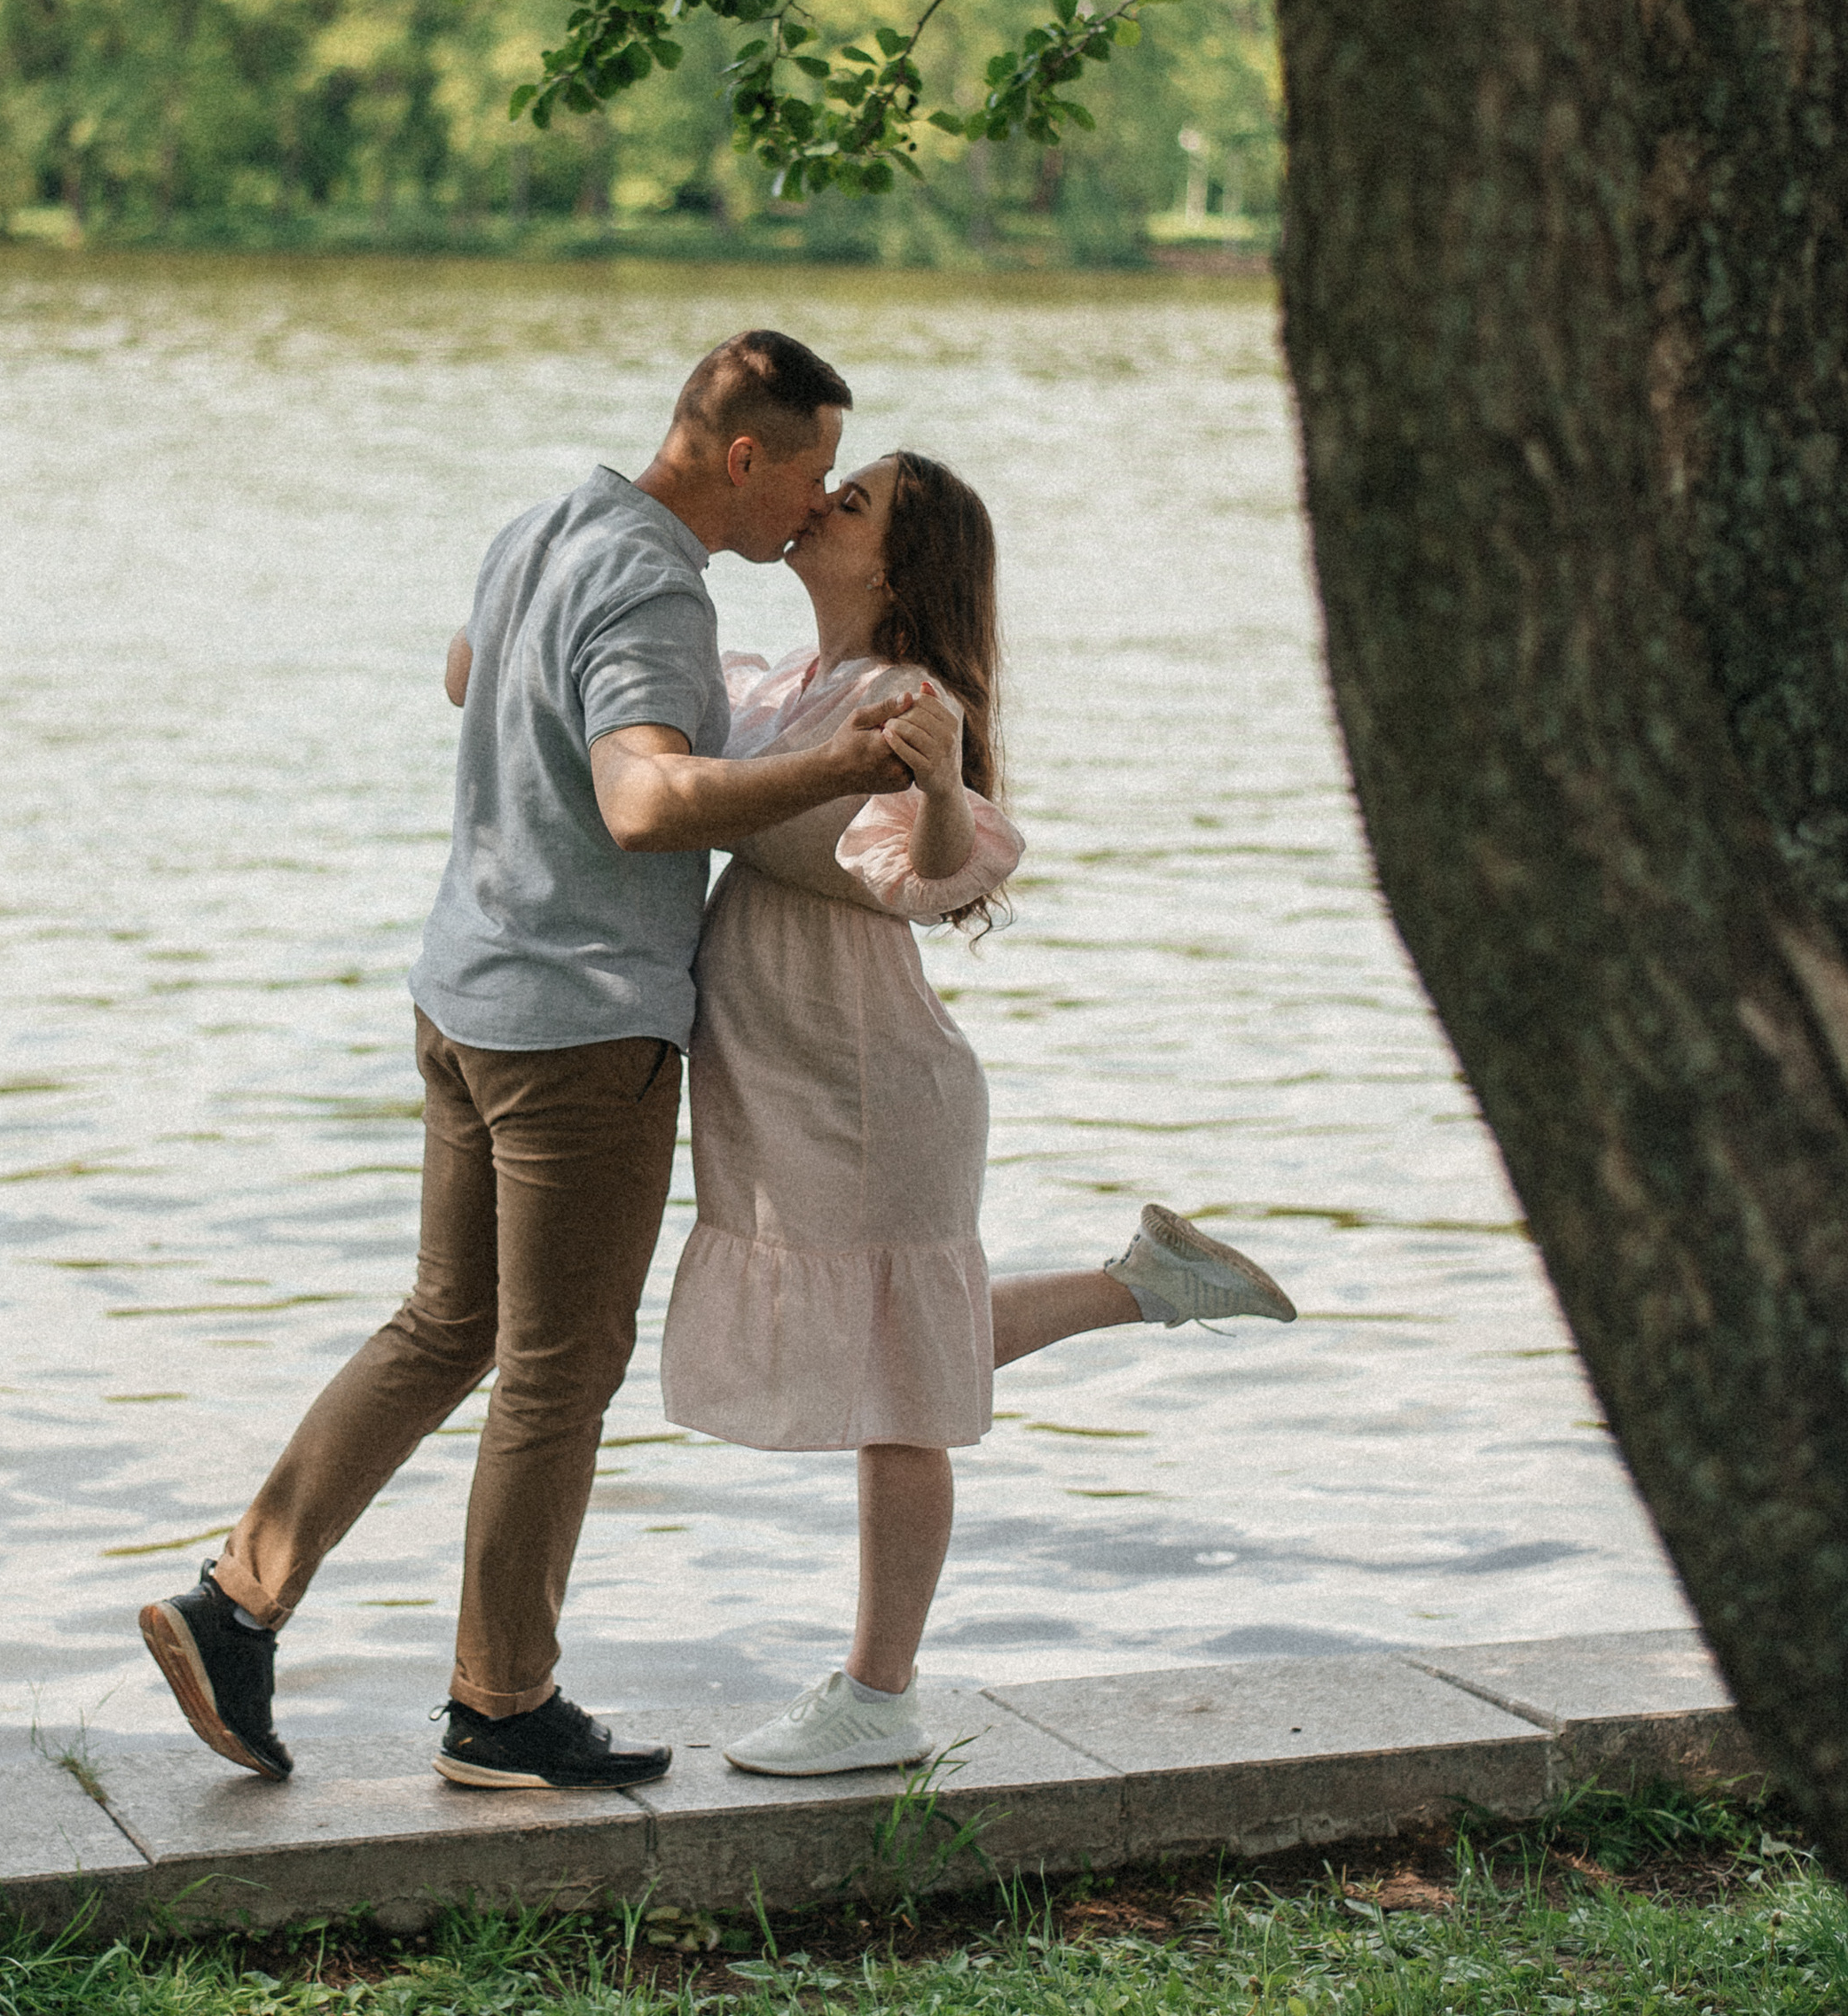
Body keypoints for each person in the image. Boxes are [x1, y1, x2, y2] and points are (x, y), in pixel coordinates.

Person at [139, 329, 912, 1791]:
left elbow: (464, 674)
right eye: (810, 473)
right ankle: (502, 1707)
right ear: (743, 454)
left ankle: (234, 1604)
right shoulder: (660, 588)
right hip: (579, 1028)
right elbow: (642, 802)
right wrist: (838, 764)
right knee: (558, 1374)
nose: (815, 505)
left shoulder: (549, 525)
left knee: (446, 1323)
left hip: (464, 994)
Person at [659, 448, 1299, 1779]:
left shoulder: (906, 702)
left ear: (900, 563)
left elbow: (931, 878)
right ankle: (1147, 1284)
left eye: (852, 502)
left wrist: (945, 789)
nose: (820, 505)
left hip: (872, 1090)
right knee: (902, 1345)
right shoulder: (786, 686)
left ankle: (878, 1697)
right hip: (797, 1080)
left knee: (902, 1387)